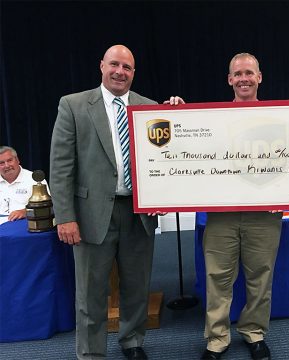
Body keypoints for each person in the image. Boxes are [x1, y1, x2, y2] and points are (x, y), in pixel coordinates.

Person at [167, 53, 282, 360]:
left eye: (249, 73)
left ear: (260, 77)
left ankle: (254, 332)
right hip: (221, 216)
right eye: (237, 74)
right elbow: (187, 147)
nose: (243, 78)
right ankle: (217, 338)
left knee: (260, 276)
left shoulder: (282, 117)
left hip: (264, 214)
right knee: (217, 277)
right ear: (229, 80)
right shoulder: (210, 119)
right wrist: (178, 115)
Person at [50, 45, 160, 360]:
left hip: (137, 214)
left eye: (127, 67)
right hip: (89, 215)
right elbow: (60, 168)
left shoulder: (148, 107)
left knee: (137, 286)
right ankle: (91, 353)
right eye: (114, 64)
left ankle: (132, 342)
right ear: (102, 66)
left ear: (133, 73)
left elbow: (162, 160)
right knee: (91, 292)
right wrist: (65, 216)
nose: (120, 72)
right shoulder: (73, 105)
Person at [0, 146, 48, 221]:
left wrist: (25, 212)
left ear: (17, 160)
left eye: (9, 160)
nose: (7, 165)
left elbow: (47, 209)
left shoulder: (35, 180)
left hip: (25, 223)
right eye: (1, 163)